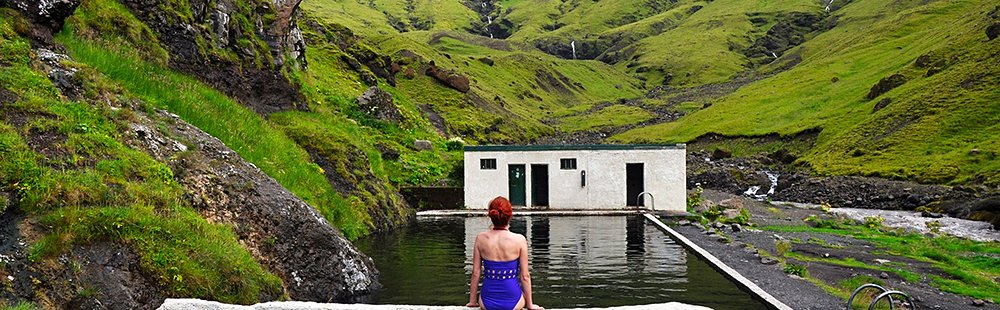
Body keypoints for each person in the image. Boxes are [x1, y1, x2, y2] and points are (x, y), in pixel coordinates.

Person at [465, 196, 544, 310]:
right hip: (514, 302)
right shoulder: (519, 240)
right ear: (509, 216)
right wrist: (530, 304)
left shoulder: (481, 239)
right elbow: (525, 276)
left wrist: (472, 301)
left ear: (491, 216)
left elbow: (476, 273)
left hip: (487, 302)